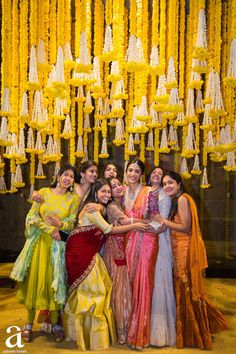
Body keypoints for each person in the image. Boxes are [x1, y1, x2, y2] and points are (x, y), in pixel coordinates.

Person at [63, 178, 149, 351]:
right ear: (95, 192)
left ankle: (85, 333)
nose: (107, 194)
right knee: (94, 292)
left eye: (108, 192)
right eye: (103, 191)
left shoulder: (98, 208)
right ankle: (90, 336)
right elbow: (109, 230)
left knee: (96, 289)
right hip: (80, 253)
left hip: (87, 252)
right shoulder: (92, 210)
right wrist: (136, 225)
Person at [156, 171, 229, 350]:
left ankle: (194, 334)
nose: (167, 186)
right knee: (185, 289)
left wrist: (162, 221)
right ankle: (194, 330)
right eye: (165, 183)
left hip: (185, 249)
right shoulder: (179, 199)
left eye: (171, 182)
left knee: (186, 289)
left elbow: (185, 227)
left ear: (179, 184)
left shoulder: (182, 199)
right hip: (179, 248)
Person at [10, 164, 79, 343]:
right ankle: (28, 323)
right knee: (36, 281)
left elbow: (71, 223)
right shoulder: (43, 193)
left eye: (71, 176)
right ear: (58, 176)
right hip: (40, 244)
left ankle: (56, 323)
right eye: (65, 174)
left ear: (73, 181)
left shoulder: (73, 198)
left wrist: (61, 226)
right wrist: (51, 229)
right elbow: (32, 217)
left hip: (58, 247)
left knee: (55, 282)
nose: (67, 178)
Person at [32, 160, 98, 332]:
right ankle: (53, 321)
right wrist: (37, 195)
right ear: (82, 175)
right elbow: (45, 208)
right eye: (91, 171)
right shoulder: (72, 188)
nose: (94, 175)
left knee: (66, 277)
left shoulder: (93, 191)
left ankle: (66, 321)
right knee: (54, 276)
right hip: (61, 235)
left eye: (96, 172)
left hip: (78, 235)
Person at [124, 158, 164, 350]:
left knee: (143, 284)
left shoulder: (149, 192)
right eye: (130, 170)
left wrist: (155, 228)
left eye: (136, 171)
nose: (133, 174)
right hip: (128, 241)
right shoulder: (122, 192)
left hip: (146, 241)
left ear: (142, 175)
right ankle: (129, 331)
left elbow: (157, 218)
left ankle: (140, 335)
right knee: (130, 285)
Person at [147, 166, 176, 347]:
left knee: (159, 282)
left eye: (161, 174)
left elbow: (162, 223)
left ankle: (159, 333)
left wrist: (138, 228)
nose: (157, 175)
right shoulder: (144, 191)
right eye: (154, 173)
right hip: (144, 241)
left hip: (159, 241)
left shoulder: (164, 196)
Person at [103, 176, 132, 345]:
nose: (118, 187)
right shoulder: (113, 206)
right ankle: (121, 330)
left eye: (118, 184)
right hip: (116, 251)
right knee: (120, 291)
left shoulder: (124, 202)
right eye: (113, 187)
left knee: (124, 288)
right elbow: (126, 222)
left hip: (124, 248)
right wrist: (147, 221)